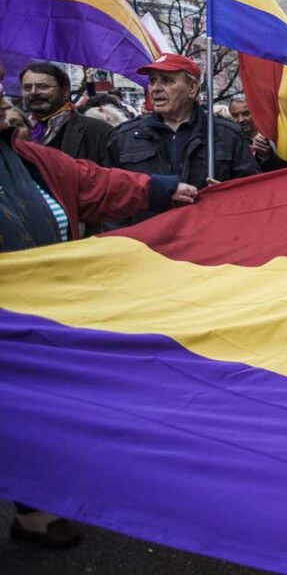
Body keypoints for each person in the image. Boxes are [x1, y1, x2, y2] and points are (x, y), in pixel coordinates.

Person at [2, 64, 199, 548]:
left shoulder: (27, 158)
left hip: (41, 316)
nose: (11, 100)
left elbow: (93, 182)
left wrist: (160, 189)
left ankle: (34, 509)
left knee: (33, 413)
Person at [106, 53, 258, 224]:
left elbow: (252, 194)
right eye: (153, 81)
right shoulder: (124, 138)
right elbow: (113, 200)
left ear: (192, 88)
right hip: (147, 238)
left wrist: (227, 196)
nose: (155, 88)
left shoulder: (226, 134)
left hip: (209, 234)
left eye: (167, 81)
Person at [19, 62, 113, 166]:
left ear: (65, 90)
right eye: (27, 87)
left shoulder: (98, 131)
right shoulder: (14, 128)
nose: (33, 92)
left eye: (43, 87)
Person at [229, 97, 287, 172]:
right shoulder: (230, 143)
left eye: (246, 114)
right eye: (235, 116)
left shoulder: (274, 136)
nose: (241, 120)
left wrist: (266, 156)